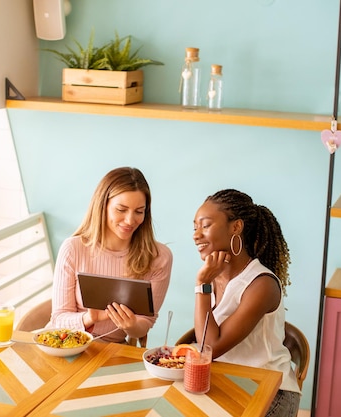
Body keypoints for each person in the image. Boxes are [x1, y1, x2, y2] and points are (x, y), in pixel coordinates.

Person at [191, 188, 300, 417]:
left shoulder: (262, 285)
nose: (196, 235)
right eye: (195, 227)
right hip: (226, 381)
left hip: (270, 390)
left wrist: (202, 284)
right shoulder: (214, 275)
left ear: (236, 227)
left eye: (205, 225)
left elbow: (209, 347)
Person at [48, 167, 172, 344]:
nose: (130, 220)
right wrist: (90, 318)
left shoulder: (159, 257)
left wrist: (131, 325)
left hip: (112, 350)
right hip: (65, 343)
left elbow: (146, 323)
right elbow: (58, 320)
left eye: (139, 211)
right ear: (102, 206)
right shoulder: (73, 248)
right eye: (121, 209)